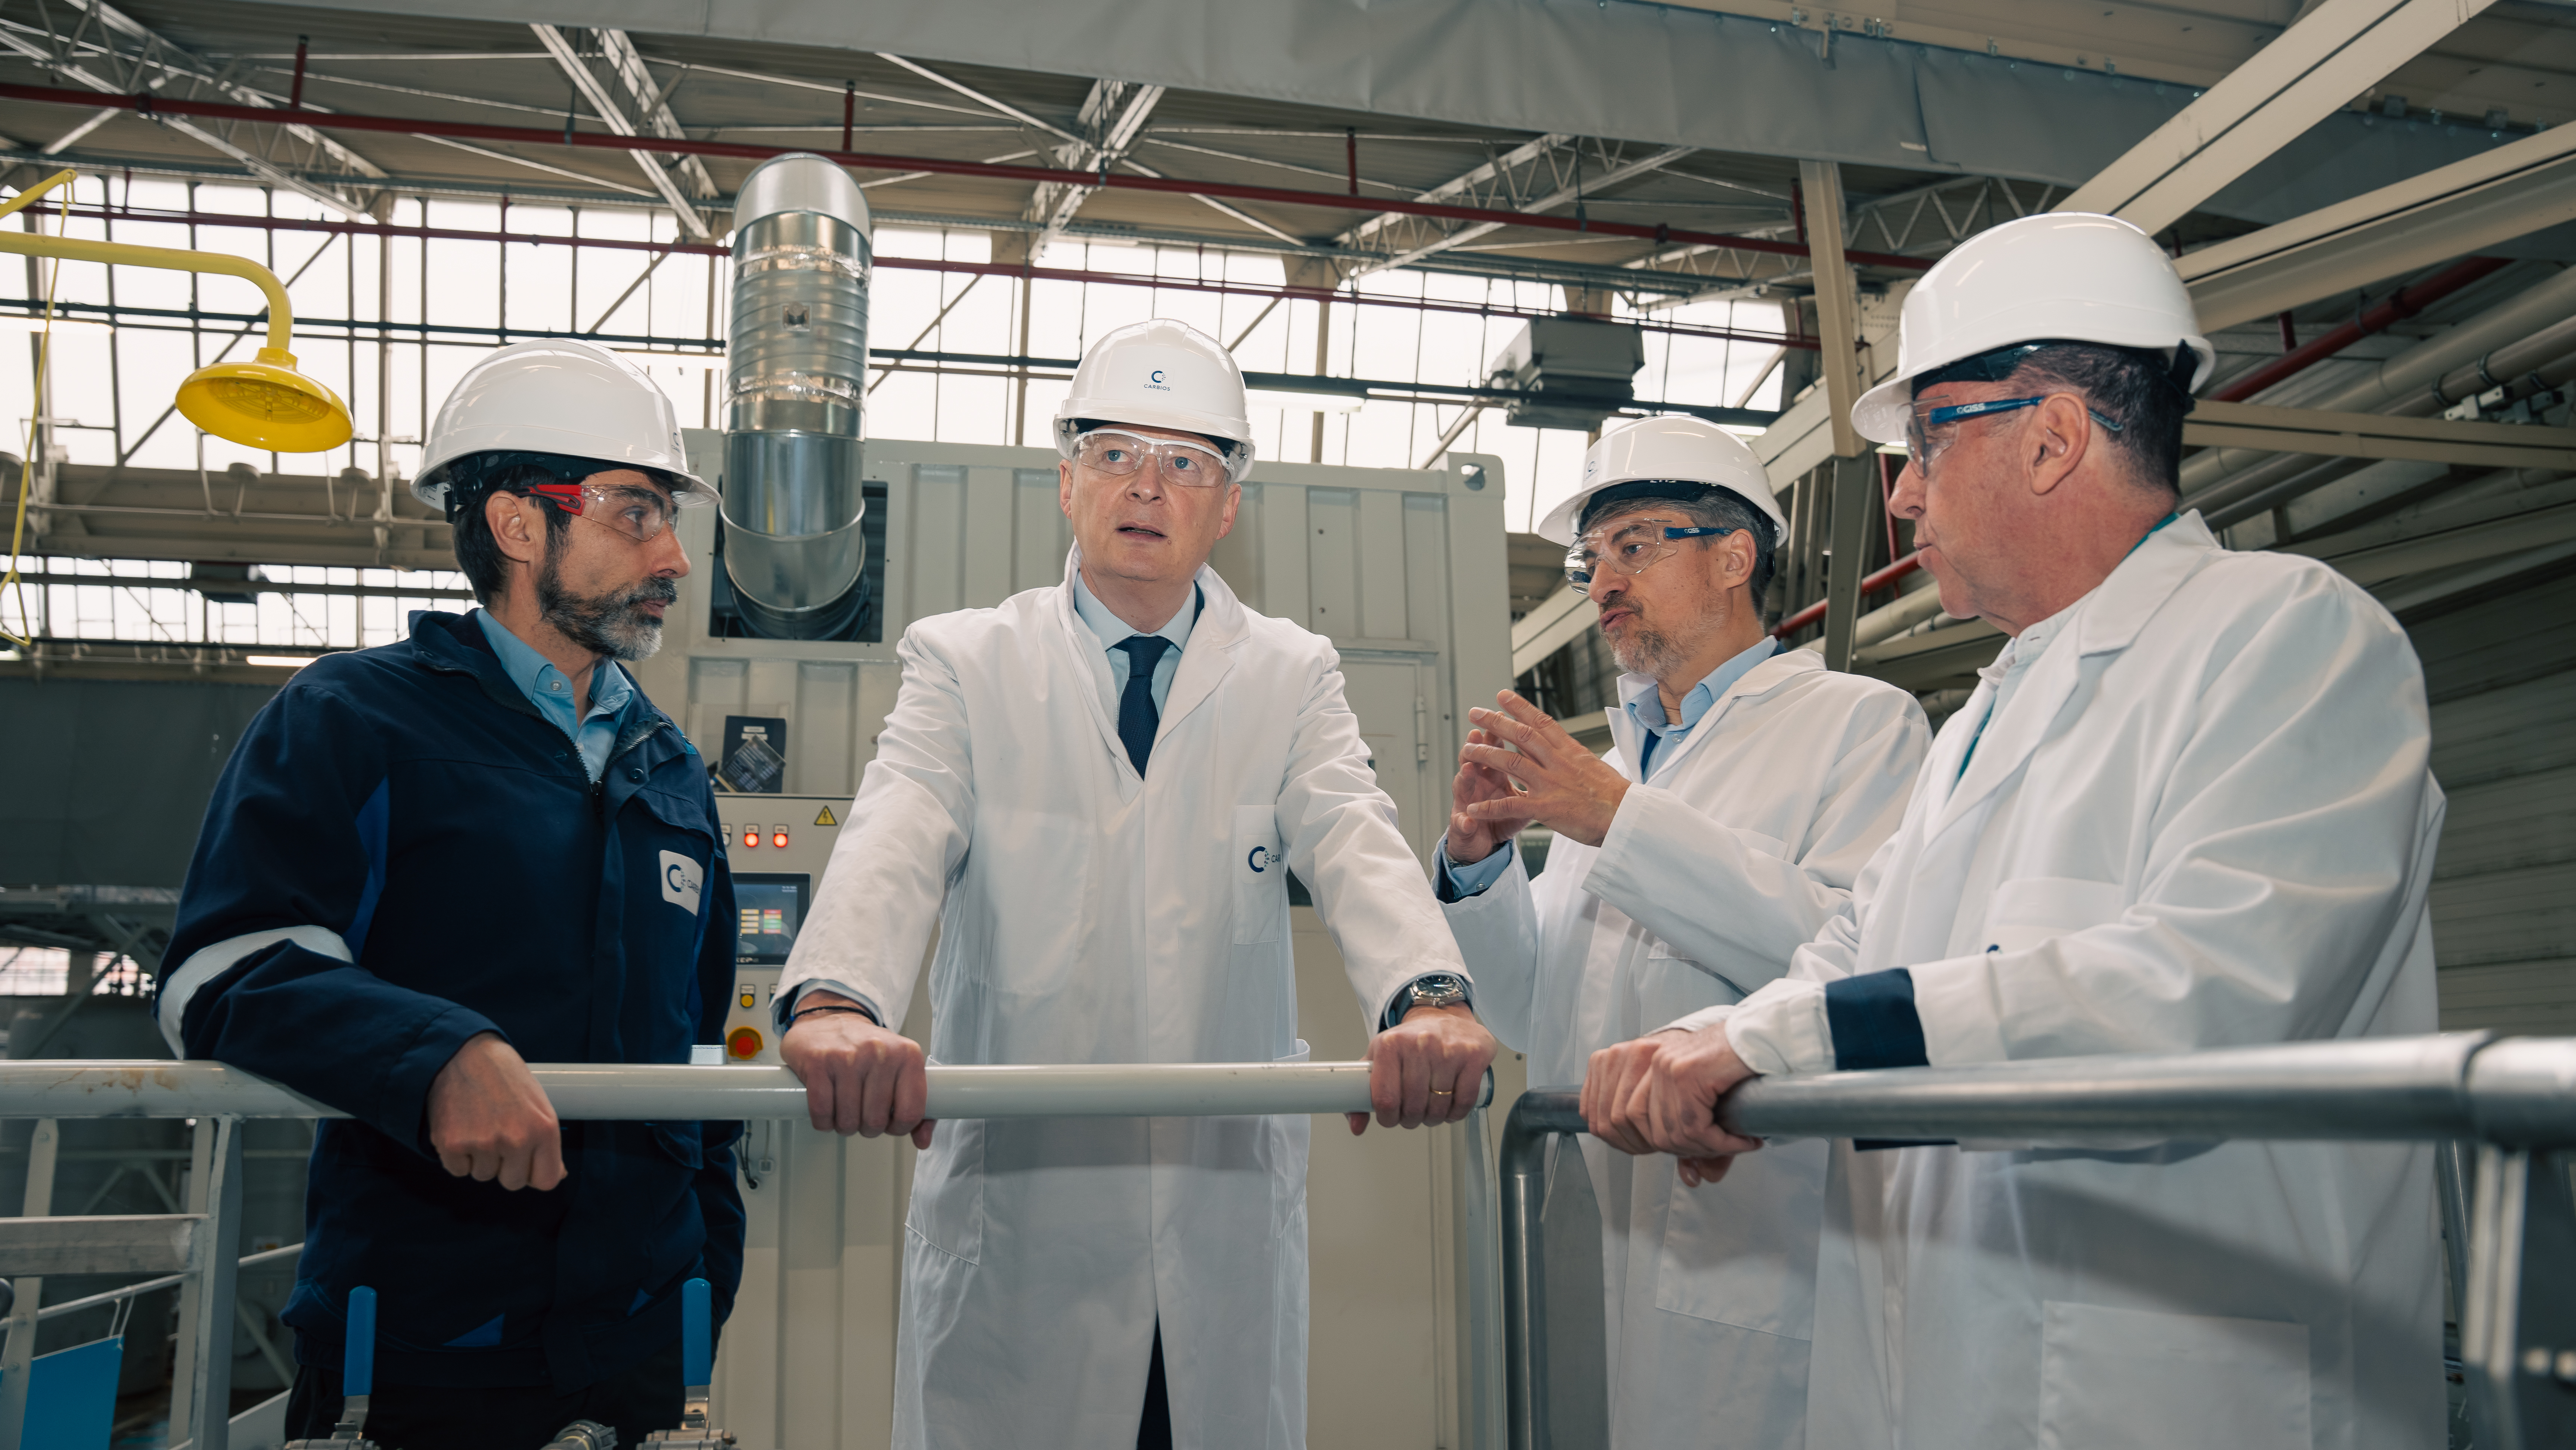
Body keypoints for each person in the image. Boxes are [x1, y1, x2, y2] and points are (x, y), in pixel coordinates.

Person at [1605, 213, 2446, 1448]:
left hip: (2180, 1395)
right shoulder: (1987, 713)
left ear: (2052, 437)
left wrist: (1771, 1038)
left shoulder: (2291, 637)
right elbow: (1853, 945)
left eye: (1926, 440)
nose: (1899, 490)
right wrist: (1710, 1035)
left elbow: (2197, 997)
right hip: (1948, 1375)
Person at [773, 317, 1499, 1450]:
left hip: (1219, 1221)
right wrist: (834, 999)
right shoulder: (965, 660)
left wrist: (1425, 996)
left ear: (1227, 505)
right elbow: (897, 826)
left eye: (1186, 462)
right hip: (1025, 1228)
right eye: (1113, 451)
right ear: (1065, 481)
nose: (1146, 486)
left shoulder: (1290, 673)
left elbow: (1353, 832)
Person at [157, 340, 745, 1448]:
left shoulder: (668, 766)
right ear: (520, 524)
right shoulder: (357, 720)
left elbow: (703, 1048)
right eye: (635, 511)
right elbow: (218, 970)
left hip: (641, 1349)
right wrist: (433, 1052)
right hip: (427, 1345)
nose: (672, 553)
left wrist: (707, 1268)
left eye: (672, 518)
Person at [1437, 416, 1927, 1448]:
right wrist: (1479, 868)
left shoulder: (1858, 724)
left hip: (1753, 1222)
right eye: (1592, 556)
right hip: (1591, 1211)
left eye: (1634, 544)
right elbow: (1535, 1015)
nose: (1603, 579)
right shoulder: (1617, 765)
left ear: (1734, 554)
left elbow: (1852, 958)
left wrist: (1620, 822)